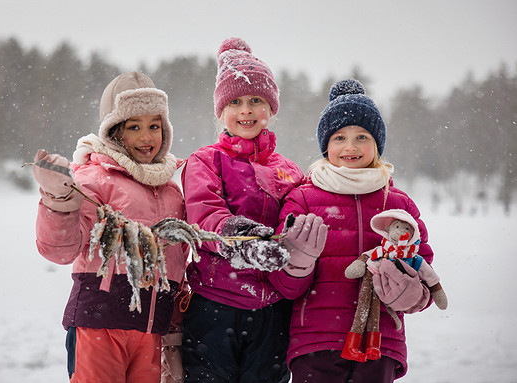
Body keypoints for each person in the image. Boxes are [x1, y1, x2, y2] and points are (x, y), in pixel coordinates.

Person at [180, 37, 327, 383]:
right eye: (235, 102)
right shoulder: (206, 160)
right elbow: (205, 217)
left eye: (256, 100)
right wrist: (246, 239)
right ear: (221, 111)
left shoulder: (289, 170)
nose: (246, 110)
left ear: (271, 109)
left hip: (273, 312)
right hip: (215, 306)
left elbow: (301, 221)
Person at [269, 78, 435, 382]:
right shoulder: (303, 197)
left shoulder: (397, 203)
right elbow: (284, 285)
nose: (350, 146)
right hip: (316, 341)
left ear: (377, 145)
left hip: (379, 342)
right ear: (325, 145)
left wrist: (408, 293)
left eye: (362, 136)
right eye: (339, 137)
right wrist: (297, 262)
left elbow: (423, 270)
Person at [32, 71, 188, 383]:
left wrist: (176, 319)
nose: (147, 137)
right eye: (134, 127)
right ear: (114, 132)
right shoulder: (95, 178)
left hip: (151, 330)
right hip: (99, 324)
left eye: (154, 126)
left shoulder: (171, 190)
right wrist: (59, 199)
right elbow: (62, 250)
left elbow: (177, 263)